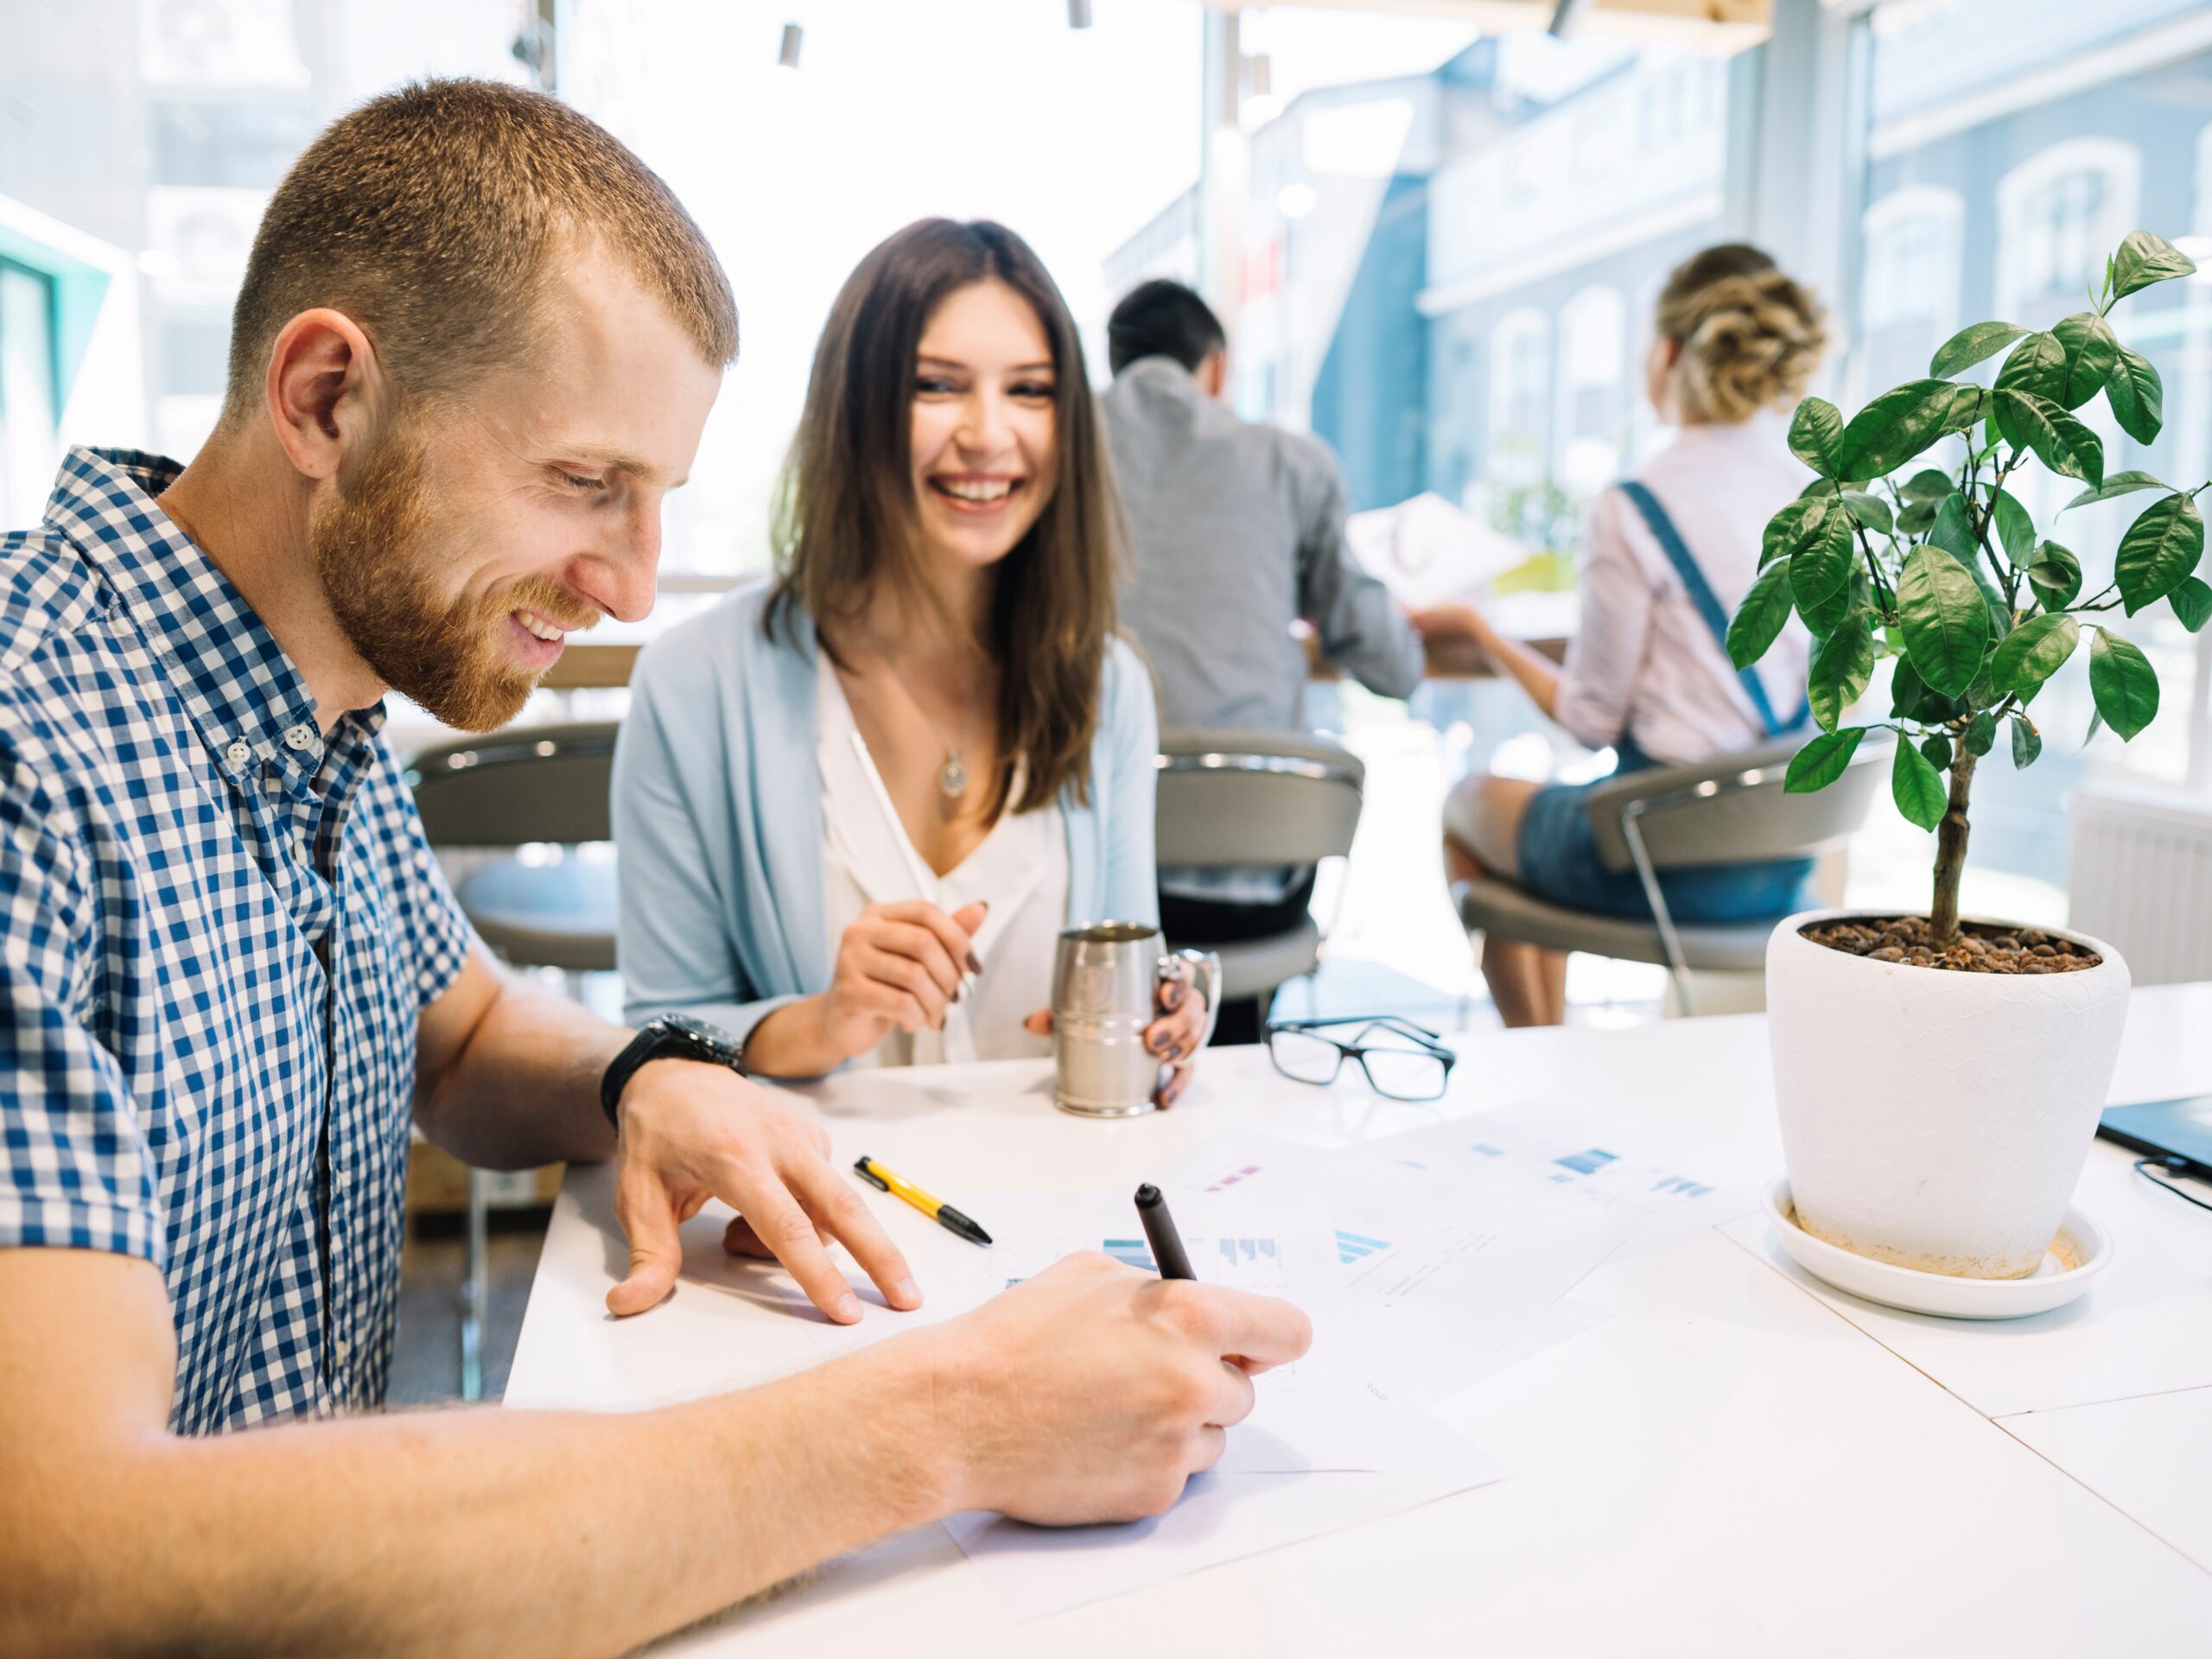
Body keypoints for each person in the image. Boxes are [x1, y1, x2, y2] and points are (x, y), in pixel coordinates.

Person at [0, 86, 1308, 1655]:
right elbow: (57, 1560)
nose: (628, 588)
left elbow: (467, 1034)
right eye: (582, 483)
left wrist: (646, 1077)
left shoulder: (315, 709)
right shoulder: (33, 745)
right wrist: (949, 1419)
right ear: (330, 401)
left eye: (658, 500)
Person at [614, 220, 1210, 1105]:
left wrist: (1168, 1008)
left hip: (1061, 1202)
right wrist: (821, 1021)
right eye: (936, 385)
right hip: (819, 1215)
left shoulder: (1107, 686)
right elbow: (656, 1037)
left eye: (1031, 391)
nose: (987, 433)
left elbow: (1132, 960)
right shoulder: (694, 684)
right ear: (855, 408)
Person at [1414, 245, 1827, 1027]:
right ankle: (1557, 1070)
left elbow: (1590, 720)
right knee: (1542, 825)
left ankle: (1543, 1054)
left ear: (1668, 354)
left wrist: (1483, 634)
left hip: (1660, 858)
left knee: (1468, 807)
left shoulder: (1635, 505)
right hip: (1785, 862)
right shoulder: (1818, 493)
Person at [1101, 279, 1423, 1042]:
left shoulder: (1054, 451)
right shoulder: (1291, 463)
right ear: (1216, 369)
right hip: (1255, 885)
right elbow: (1392, 665)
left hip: (1090, 887)